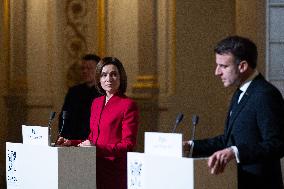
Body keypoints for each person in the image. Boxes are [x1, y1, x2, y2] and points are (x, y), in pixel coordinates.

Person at [183, 36, 284, 189]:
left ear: (242, 66)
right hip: (236, 182)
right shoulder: (240, 92)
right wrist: (191, 146)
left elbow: (277, 144)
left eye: (223, 66)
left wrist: (235, 152)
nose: (217, 72)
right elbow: (228, 140)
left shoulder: (265, 94)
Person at [57, 57, 139, 189]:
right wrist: (71, 142)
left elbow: (128, 145)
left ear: (121, 77)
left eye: (114, 74)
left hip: (114, 170)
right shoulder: (96, 103)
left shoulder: (128, 105)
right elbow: (92, 138)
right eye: (104, 75)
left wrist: (97, 148)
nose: (108, 79)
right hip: (91, 167)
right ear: (99, 79)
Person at [58, 54, 101, 140]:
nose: (85, 71)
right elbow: (63, 117)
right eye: (83, 68)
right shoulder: (74, 92)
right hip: (72, 141)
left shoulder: (104, 93)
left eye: (89, 68)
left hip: (95, 143)